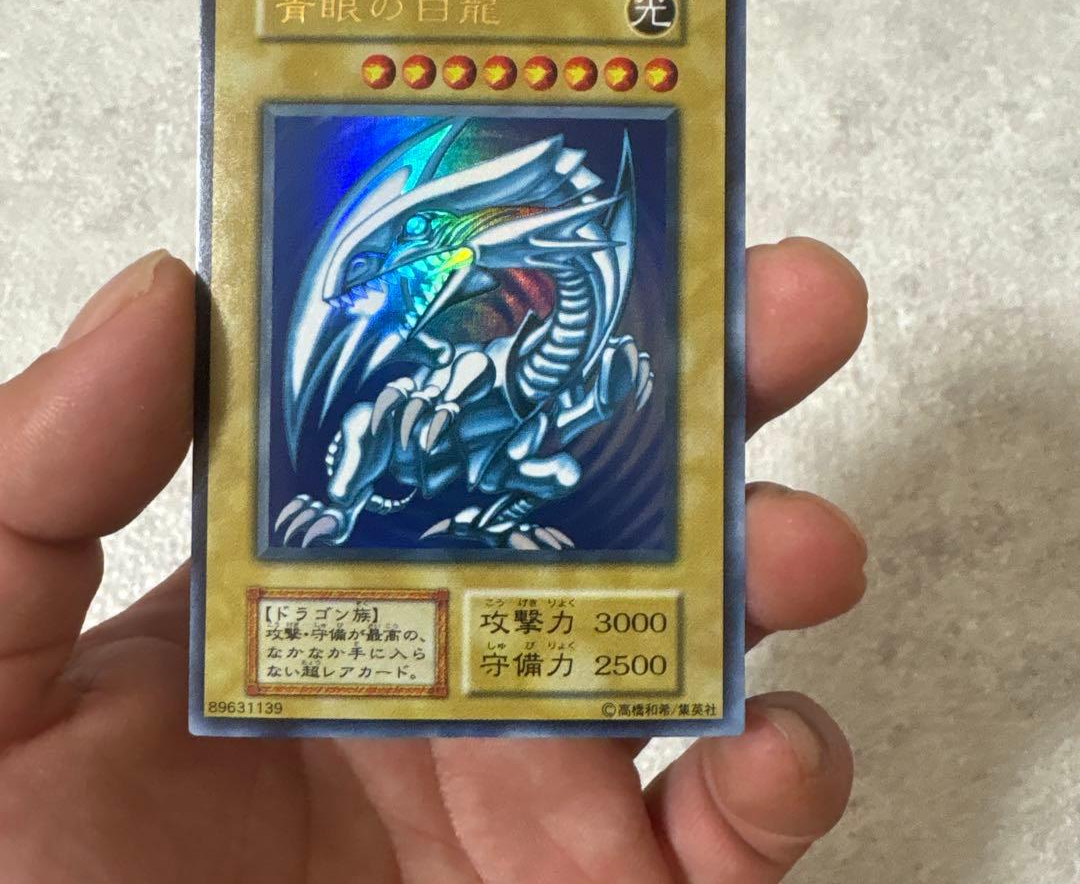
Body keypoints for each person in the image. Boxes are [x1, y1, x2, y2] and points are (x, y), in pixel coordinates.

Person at [0, 236, 868, 883]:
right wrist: (348, 503)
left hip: (496, 445)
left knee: (562, 471)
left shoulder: (523, 372)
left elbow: (553, 437)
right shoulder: (409, 406)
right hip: (432, 452)